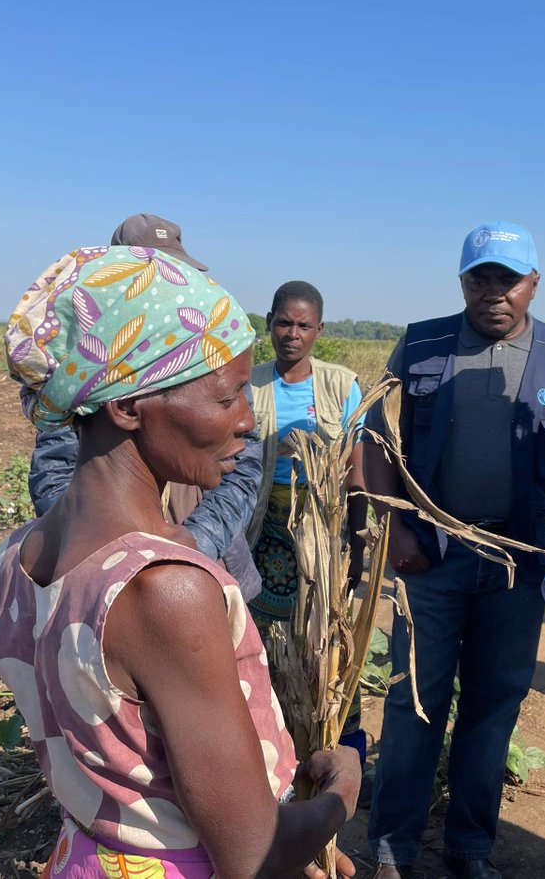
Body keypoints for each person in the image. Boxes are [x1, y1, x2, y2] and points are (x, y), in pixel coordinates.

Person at [0, 246, 360, 878]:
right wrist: (339, 796)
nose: (248, 422)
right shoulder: (164, 589)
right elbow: (252, 856)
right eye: (227, 399)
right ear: (128, 406)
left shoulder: (19, 556)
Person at [364, 221, 545, 879]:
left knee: (494, 707)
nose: (495, 291)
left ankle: (470, 849)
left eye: (509, 278)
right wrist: (396, 528)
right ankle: (392, 847)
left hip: (516, 563)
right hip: (430, 557)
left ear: (533, 285)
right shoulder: (421, 343)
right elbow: (375, 441)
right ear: (462, 281)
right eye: (480, 277)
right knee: (414, 702)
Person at [27, 214, 263, 593]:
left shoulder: (214, 360)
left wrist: (193, 544)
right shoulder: (85, 376)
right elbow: (54, 471)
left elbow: (245, 465)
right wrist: (108, 547)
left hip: (203, 563)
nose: (244, 419)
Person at [246, 280, 369, 763]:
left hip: (323, 529)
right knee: (260, 643)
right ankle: (270, 755)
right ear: (268, 324)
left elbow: (357, 469)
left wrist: (356, 544)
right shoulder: (248, 382)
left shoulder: (340, 385)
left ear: (319, 330)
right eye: (283, 323)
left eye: (303, 325)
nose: (291, 334)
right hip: (259, 529)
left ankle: (342, 754)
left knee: (327, 640)